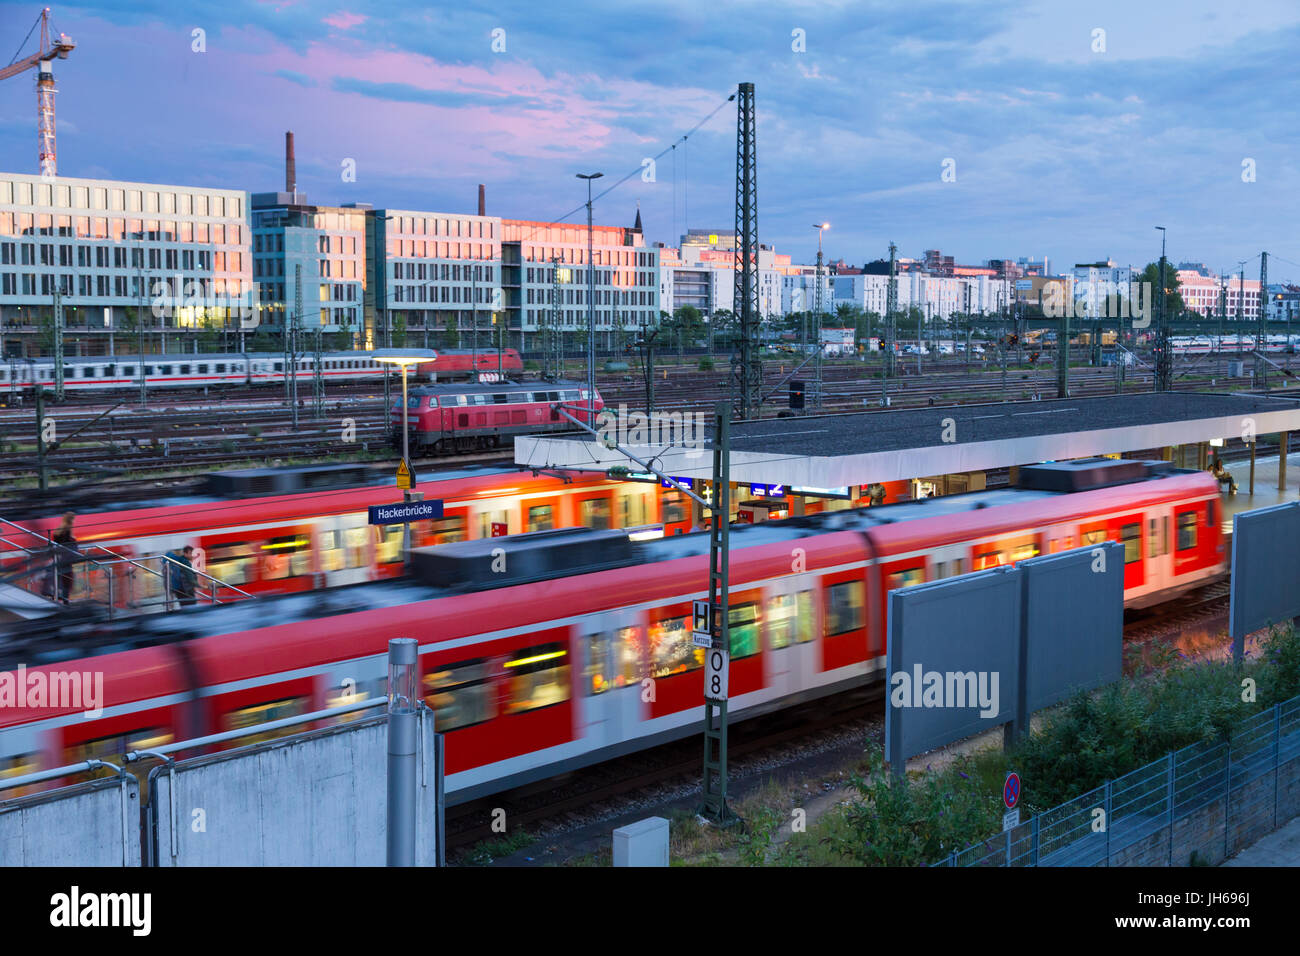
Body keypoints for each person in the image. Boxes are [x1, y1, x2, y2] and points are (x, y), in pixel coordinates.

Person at [50, 512, 77, 604]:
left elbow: (56, 543)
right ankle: (66, 602)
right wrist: (73, 539)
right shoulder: (67, 530)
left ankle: (57, 599)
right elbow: (67, 545)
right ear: (71, 520)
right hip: (66, 560)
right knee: (67, 581)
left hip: (59, 559)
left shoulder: (59, 529)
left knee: (60, 579)